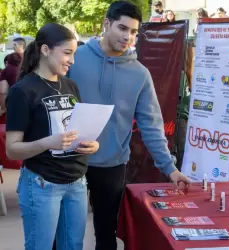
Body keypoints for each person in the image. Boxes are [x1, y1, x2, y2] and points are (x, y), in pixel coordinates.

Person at [67, 2, 191, 249]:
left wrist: (170, 169)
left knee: (106, 235)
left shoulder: (140, 73)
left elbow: (152, 125)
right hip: (70, 159)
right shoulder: (74, 59)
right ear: (106, 24)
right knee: (66, 235)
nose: (128, 36)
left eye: (133, 31)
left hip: (112, 164)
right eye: (122, 28)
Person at [5, 23, 99, 250]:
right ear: (45, 50)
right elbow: (11, 148)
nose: (72, 60)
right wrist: (48, 142)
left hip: (76, 181)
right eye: (67, 53)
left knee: (73, 245)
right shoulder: (23, 90)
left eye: (74, 54)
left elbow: (78, 128)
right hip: (42, 184)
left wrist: (92, 144)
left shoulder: (70, 85)